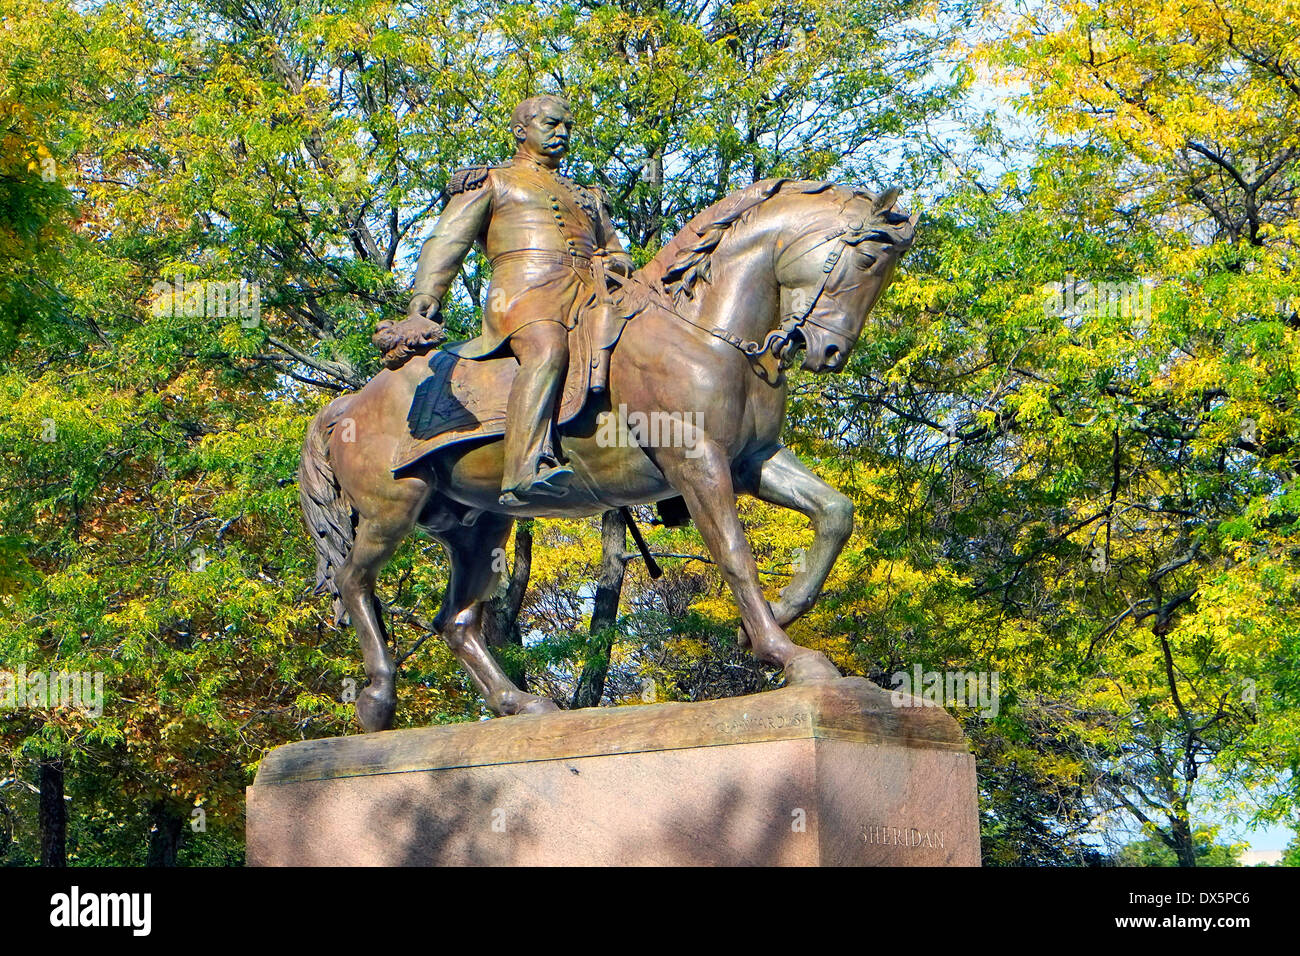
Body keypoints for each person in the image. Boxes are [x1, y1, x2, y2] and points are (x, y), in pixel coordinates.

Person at [373, 95, 633, 505]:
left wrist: (617, 265)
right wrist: (426, 295)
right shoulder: (492, 180)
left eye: (567, 126)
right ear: (520, 130)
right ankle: (525, 467)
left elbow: (616, 252)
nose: (562, 133)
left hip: (590, 297)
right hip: (525, 298)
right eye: (551, 124)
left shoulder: (586, 197)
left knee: (648, 347)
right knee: (548, 349)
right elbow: (446, 242)